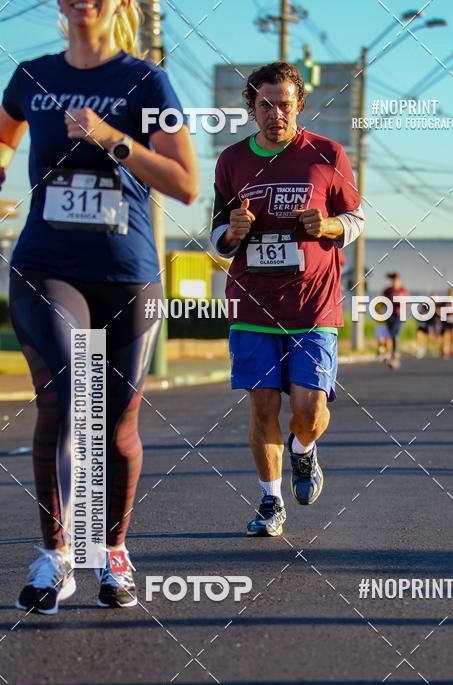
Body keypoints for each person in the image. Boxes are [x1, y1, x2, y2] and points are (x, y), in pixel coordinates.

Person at [0, 0, 199, 613]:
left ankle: (112, 549)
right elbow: (3, 143)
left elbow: (185, 183)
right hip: (46, 265)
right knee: (63, 397)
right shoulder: (32, 77)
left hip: (125, 273)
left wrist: (114, 140)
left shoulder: (146, 81)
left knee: (115, 426)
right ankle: (57, 557)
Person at [210, 61, 363, 536]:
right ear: (251, 109)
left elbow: (357, 220)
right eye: (265, 104)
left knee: (309, 411)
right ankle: (270, 501)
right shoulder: (232, 161)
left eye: (284, 103)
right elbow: (215, 235)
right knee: (261, 408)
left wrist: (331, 224)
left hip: (313, 305)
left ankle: (304, 450)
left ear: (300, 104)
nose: (275, 113)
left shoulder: (327, 154)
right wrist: (231, 233)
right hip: (253, 304)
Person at [382, 272, 407, 369]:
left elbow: (407, 301)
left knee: (395, 334)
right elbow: (382, 301)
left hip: (399, 315)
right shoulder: (388, 290)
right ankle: (390, 353)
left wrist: (401, 302)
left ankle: (394, 355)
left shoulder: (403, 291)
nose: (395, 282)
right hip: (389, 315)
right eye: (394, 280)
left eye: (397, 280)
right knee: (389, 335)